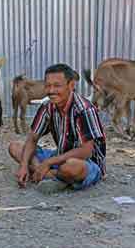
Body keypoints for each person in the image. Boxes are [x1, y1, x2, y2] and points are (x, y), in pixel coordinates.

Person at [8, 63, 106, 194]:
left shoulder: (84, 109)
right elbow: (32, 138)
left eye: (57, 86)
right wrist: (24, 165)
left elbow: (86, 151)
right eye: (48, 86)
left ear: (71, 85)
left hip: (86, 162)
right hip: (60, 155)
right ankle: (47, 173)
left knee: (71, 167)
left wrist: (49, 162)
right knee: (15, 147)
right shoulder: (48, 106)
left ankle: (47, 174)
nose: (51, 90)